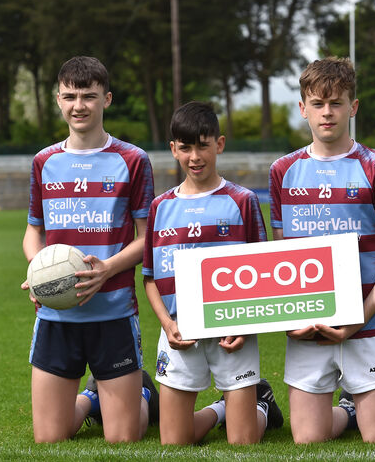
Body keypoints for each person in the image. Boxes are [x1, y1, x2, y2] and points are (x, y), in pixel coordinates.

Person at [268, 57, 375, 444]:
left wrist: (357, 319)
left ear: (353, 107)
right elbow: (280, 256)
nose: (327, 113)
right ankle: (352, 410)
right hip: (307, 326)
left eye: (336, 103)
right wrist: (288, 318)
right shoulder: (283, 170)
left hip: (366, 325)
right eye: (317, 104)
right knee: (308, 440)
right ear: (303, 109)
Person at [20, 56, 157, 443]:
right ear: (58, 100)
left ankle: (143, 394)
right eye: (70, 96)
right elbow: (33, 232)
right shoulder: (44, 161)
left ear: (106, 99)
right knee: (50, 437)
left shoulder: (132, 160)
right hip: (57, 316)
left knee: (124, 438)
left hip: (113, 311)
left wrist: (107, 269)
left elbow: (148, 237)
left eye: (89, 96)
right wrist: (40, 270)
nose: (78, 105)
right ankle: (94, 399)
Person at [142, 101, 283, 445]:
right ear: (173, 149)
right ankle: (223, 409)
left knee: (242, 442)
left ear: (219, 144)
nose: (195, 156)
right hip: (180, 332)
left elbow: (263, 272)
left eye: (203, 145)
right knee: (174, 442)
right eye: (186, 147)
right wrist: (167, 324)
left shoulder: (242, 200)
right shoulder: (160, 207)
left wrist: (246, 325)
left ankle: (260, 406)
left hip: (232, 333)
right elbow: (149, 278)